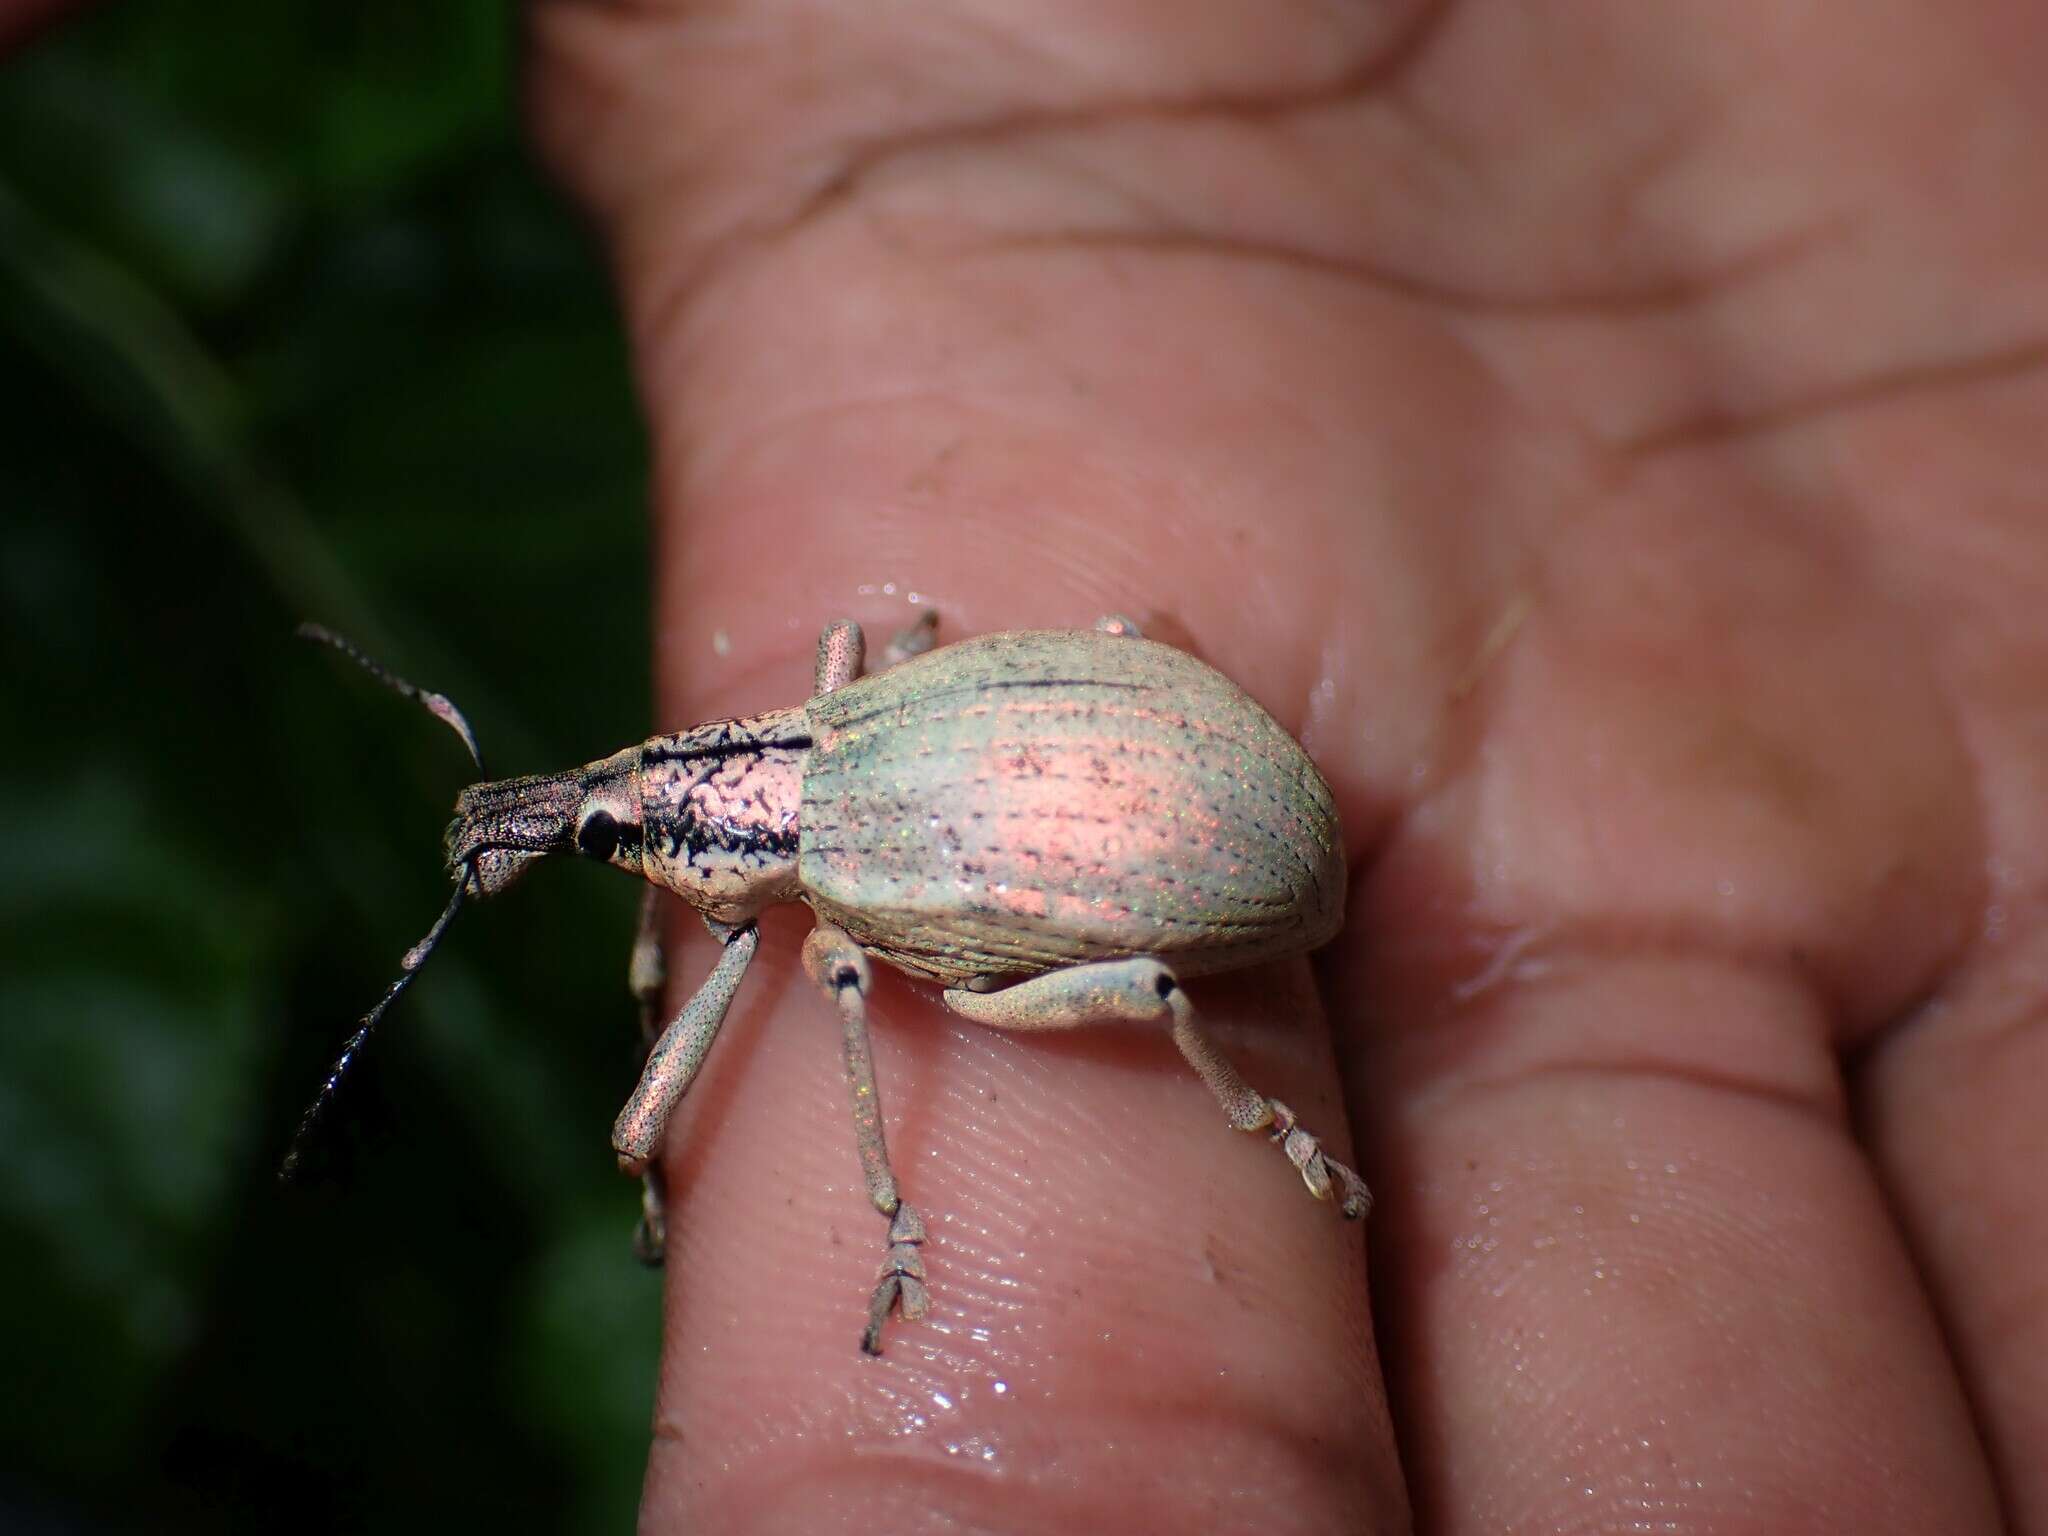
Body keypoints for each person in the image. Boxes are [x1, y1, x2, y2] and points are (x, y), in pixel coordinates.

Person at [520, 4, 2044, 1530]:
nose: (634, 842)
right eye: (627, 830)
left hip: (1198, 837)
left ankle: (1243, 1126)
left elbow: (712, 1072)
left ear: (708, 787)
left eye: (633, 822)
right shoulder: (850, 690)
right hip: (1126, 746)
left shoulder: (841, 882)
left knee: (1115, 992)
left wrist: (881, 1213)